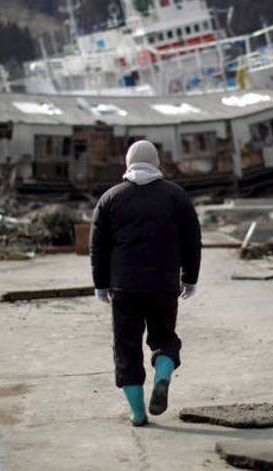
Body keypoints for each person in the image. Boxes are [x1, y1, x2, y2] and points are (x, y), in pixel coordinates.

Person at [90, 139, 202, 426]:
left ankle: (138, 413)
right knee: (164, 338)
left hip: (124, 287)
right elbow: (192, 241)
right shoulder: (176, 196)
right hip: (164, 285)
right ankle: (162, 376)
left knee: (126, 348)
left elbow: (98, 246)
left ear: (127, 163)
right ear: (157, 163)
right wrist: (190, 278)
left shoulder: (110, 198)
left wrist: (100, 284)